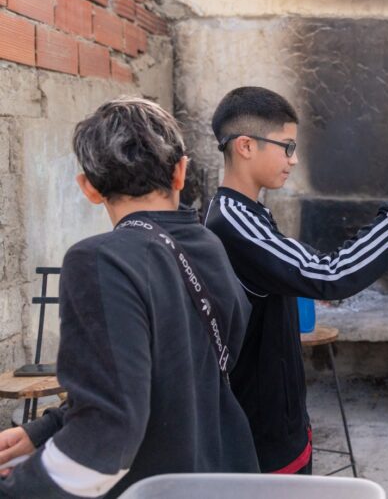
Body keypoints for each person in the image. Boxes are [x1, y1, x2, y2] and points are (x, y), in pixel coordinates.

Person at [0, 98, 259, 497]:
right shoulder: (208, 245)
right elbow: (172, 375)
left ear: (88, 187)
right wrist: (47, 429)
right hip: (224, 474)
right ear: (180, 172)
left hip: (152, 486)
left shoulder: (99, 260)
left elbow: (107, 435)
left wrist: (19, 488)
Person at [205, 86, 388, 474]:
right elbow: (332, 273)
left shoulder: (247, 212)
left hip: (276, 418)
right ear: (246, 146)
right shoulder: (233, 222)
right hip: (261, 436)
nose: (294, 159)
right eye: (286, 146)